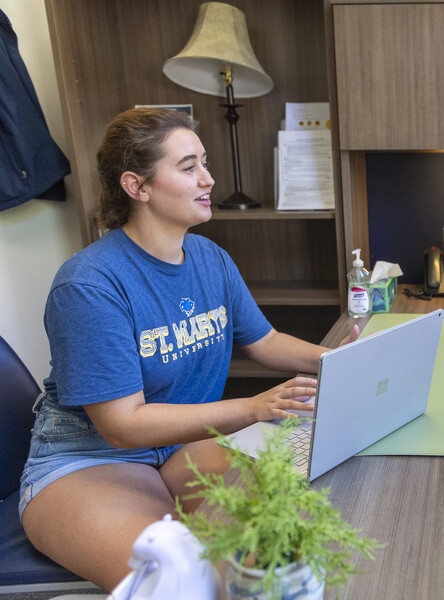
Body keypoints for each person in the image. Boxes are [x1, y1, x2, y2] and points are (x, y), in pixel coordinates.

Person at [18, 107, 358, 590]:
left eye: (205, 163)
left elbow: (264, 342)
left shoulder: (209, 256)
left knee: (287, 540)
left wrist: (337, 361)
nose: (209, 179)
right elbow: (122, 425)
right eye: (188, 167)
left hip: (179, 446)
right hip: (90, 461)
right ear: (137, 187)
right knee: (198, 583)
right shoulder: (89, 285)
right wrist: (253, 408)